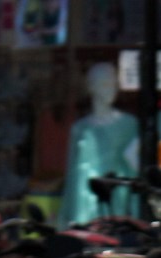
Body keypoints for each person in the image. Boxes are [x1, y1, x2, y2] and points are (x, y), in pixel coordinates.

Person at [58, 62, 139, 228]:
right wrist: (66, 215)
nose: (111, 89)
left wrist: (136, 212)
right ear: (91, 87)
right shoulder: (80, 128)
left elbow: (134, 169)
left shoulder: (129, 124)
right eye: (104, 83)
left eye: (114, 83)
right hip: (84, 202)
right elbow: (72, 173)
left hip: (115, 198)